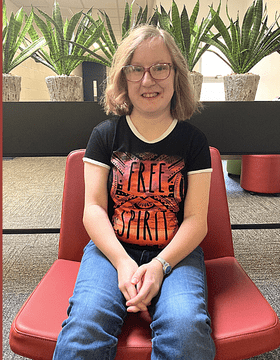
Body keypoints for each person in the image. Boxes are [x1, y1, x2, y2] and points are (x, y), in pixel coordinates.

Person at [53, 25, 216, 360]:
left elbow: (197, 221)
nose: (147, 80)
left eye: (159, 67)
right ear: (122, 78)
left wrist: (159, 266)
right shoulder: (104, 136)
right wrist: (123, 262)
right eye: (135, 69)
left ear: (176, 74)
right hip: (110, 251)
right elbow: (93, 210)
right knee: (86, 325)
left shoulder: (194, 142)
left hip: (176, 255)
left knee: (186, 329)